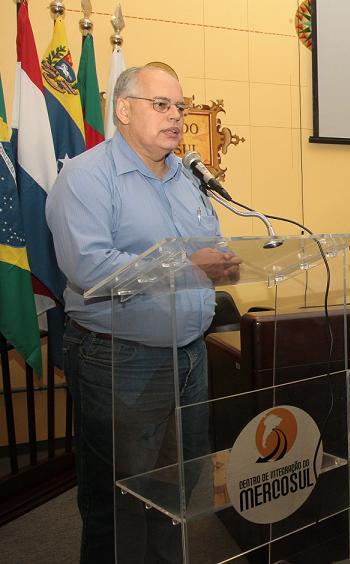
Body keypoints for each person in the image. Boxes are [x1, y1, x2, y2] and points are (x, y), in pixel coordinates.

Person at [46, 65, 241, 563]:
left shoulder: (188, 179)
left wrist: (226, 261)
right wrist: (188, 266)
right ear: (123, 109)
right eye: (161, 105)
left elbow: (211, 247)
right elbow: (90, 268)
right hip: (120, 360)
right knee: (122, 497)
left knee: (179, 489)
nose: (176, 116)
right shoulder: (85, 177)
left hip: (190, 355)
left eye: (179, 106)